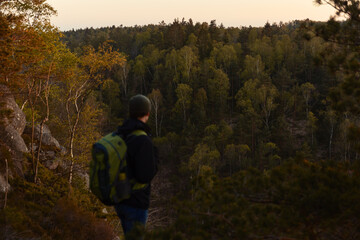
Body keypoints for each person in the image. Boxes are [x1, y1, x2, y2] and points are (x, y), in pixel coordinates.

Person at [114, 94, 158, 238]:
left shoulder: (121, 133)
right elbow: (144, 175)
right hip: (136, 202)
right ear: (147, 113)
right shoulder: (143, 139)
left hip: (120, 198)